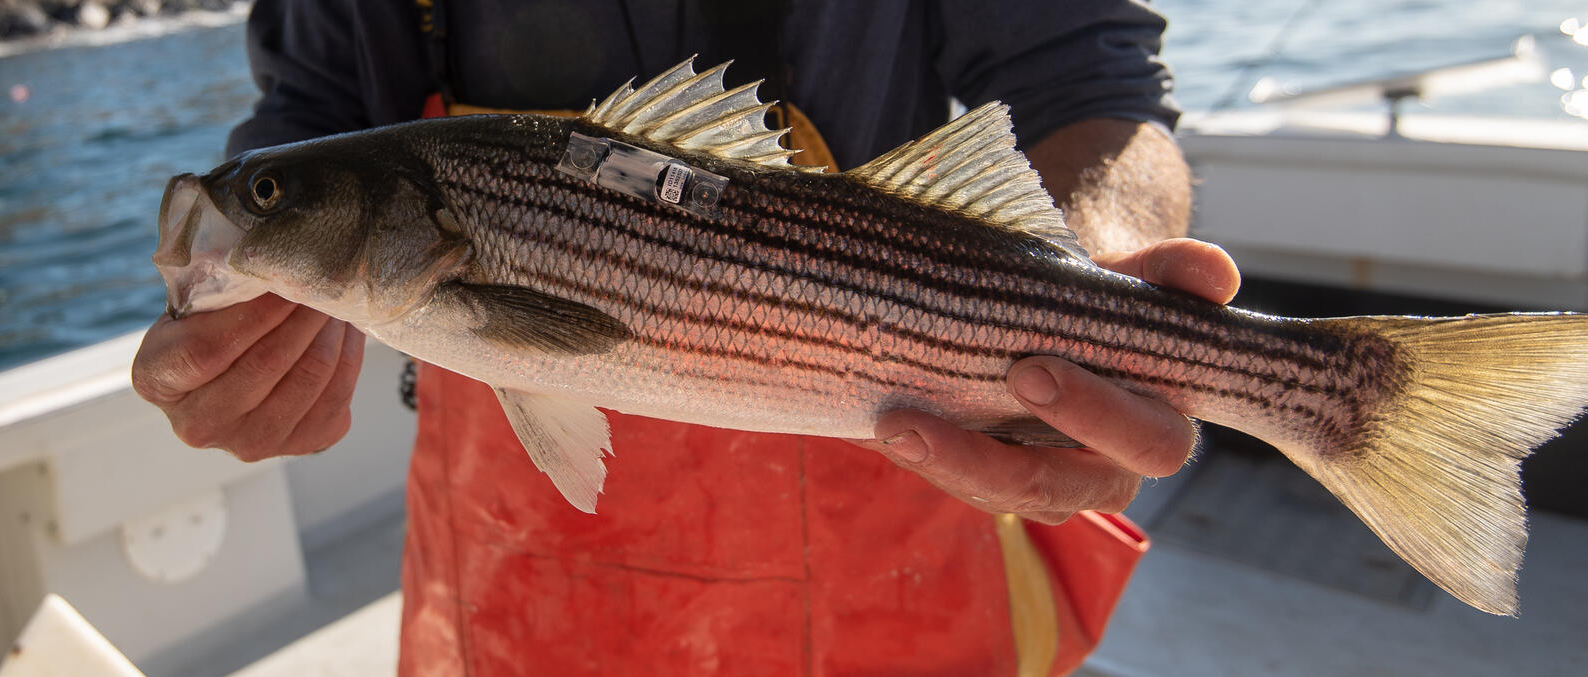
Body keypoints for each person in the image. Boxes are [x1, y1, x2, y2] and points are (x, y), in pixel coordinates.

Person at [132, 1, 1241, 674]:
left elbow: (1086, 75)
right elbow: (317, 97)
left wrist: (1092, 286)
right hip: (508, 543)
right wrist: (253, 310)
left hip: (903, 455)